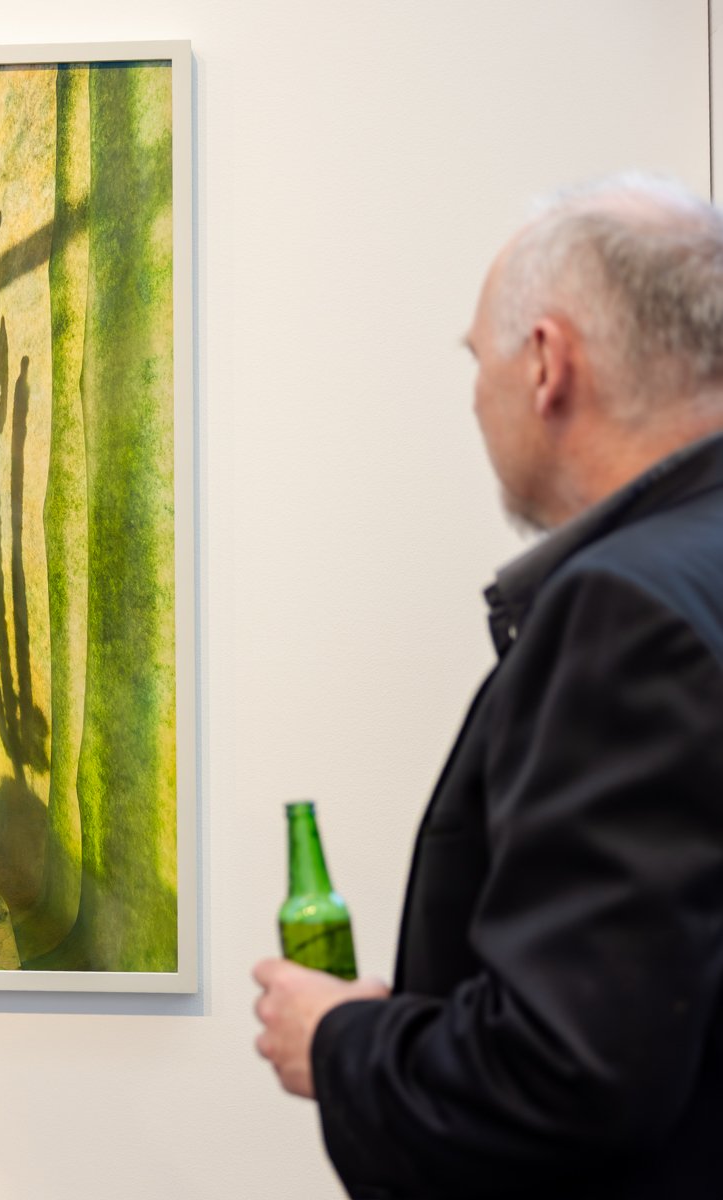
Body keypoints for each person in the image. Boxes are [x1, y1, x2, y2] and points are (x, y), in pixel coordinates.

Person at [251, 173, 723, 1198]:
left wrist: (339, 1040)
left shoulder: (624, 610)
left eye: (477, 360)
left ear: (546, 363)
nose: (474, 396)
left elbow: (563, 1076)